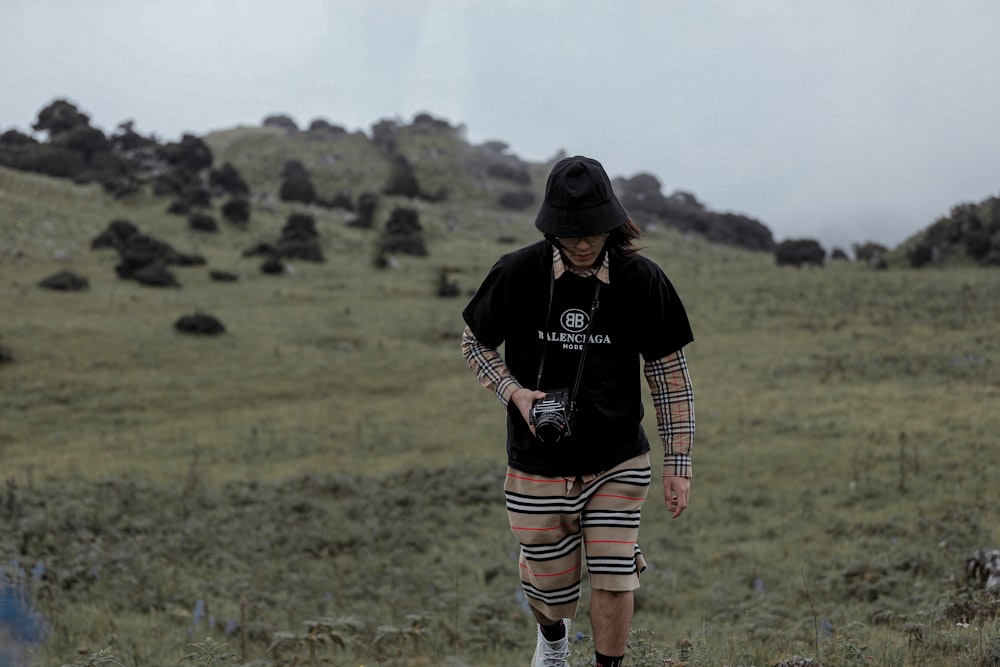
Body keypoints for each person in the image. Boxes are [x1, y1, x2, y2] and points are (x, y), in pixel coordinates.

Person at [461, 155, 696, 667]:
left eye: (593, 230)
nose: (584, 243)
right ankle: (551, 638)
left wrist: (678, 463)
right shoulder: (516, 272)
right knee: (548, 587)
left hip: (617, 459)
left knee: (615, 574)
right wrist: (514, 393)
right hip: (536, 463)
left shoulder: (643, 281)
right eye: (571, 233)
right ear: (552, 229)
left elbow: (670, 379)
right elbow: (474, 343)